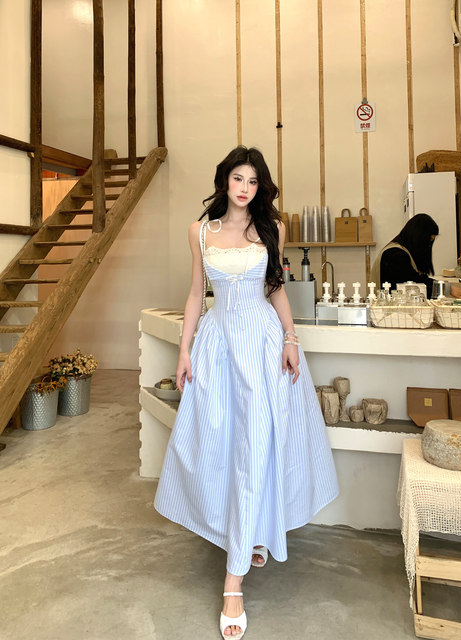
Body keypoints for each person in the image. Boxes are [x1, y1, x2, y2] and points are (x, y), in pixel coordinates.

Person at [154, 146, 338, 639]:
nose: (245, 188)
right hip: (218, 345)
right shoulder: (200, 232)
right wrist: (184, 350)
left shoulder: (272, 228)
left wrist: (291, 338)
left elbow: (275, 288)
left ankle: (233, 581)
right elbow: (196, 293)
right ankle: (246, 531)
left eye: (253, 181)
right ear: (225, 180)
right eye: (238, 178)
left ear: (260, 188)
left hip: (261, 345)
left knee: (258, 444)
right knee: (223, 445)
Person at [371, 213, 461, 299]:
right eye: (429, 241)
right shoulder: (395, 254)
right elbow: (415, 284)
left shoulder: (400, 251)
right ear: (419, 238)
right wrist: (448, 288)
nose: (428, 246)